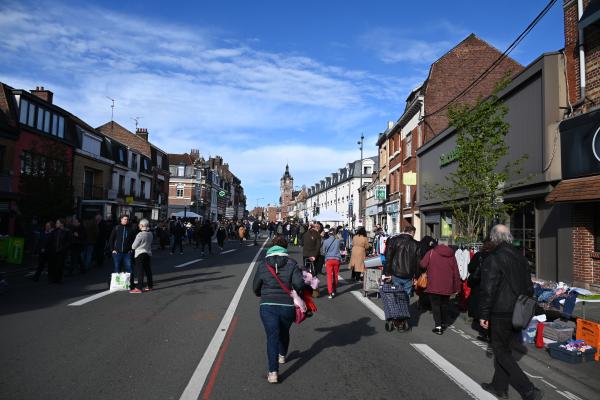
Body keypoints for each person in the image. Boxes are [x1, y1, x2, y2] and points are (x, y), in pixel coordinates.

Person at [479, 225, 541, 400]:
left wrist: (484, 314)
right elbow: (530, 287)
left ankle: (528, 389)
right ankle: (499, 387)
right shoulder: (520, 258)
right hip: (519, 310)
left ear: (494, 238)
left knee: (500, 351)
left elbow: (488, 289)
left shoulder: (495, 258)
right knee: (505, 349)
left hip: (500, 311)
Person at [252, 236, 304, 384]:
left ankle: (273, 372)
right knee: (284, 331)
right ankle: (282, 354)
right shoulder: (291, 263)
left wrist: (260, 293)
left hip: (267, 305)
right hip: (287, 305)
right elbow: (299, 284)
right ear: (285, 247)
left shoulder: (263, 264)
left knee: (272, 337)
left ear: (271, 247)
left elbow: (255, 286)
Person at [382, 225, 420, 331]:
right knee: (406, 297)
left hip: (396, 274)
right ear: (412, 232)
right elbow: (418, 263)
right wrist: (416, 276)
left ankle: (396, 319)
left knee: (396, 296)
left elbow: (388, 258)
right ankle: (403, 319)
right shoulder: (415, 244)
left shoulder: (394, 241)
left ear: (404, 231)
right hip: (408, 275)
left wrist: (387, 273)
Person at [420, 240, 461, 335]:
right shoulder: (452, 255)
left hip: (434, 284)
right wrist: (457, 287)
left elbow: (422, 264)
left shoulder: (431, 252)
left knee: (435, 305)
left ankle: (438, 326)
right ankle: (443, 322)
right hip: (447, 285)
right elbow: (456, 271)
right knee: (444, 305)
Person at [467, 239, 493, 341]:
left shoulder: (478, 255)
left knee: (480, 307)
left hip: (478, 285)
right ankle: (490, 332)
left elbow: (470, 268)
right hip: (491, 285)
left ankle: (483, 332)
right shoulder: (496, 256)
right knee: (490, 307)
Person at [130, 219, 154, 293]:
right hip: (148, 253)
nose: (139, 226)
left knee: (140, 271)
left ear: (142, 225)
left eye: (140, 224)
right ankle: (150, 286)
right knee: (148, 270)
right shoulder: (150, 233)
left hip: (140, 253)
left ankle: (139, 288)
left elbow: (133, 246)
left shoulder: (140, 234)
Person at [320, 228, 341, 299]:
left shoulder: (325, 241)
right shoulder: (338, 241)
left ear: (328, 234)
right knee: (335, 275)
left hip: (329, 259)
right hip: (337, 259)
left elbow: (323, 251)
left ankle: (330, 292)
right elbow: (340, 246)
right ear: (334, 233)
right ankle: (334, 290)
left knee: (329, 276)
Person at [48, 218, 71, 284]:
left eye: (57, 223)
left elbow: (68, 242)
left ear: (61, 224)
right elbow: (51, 241)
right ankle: (53, 279)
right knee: (53, 265)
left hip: (62, 252)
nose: (56, 224)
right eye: (56, 223)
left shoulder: (66, 231)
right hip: (54, 251)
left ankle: (59, 279)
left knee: (60, 265)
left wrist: (64, 248)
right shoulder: (54, 231)